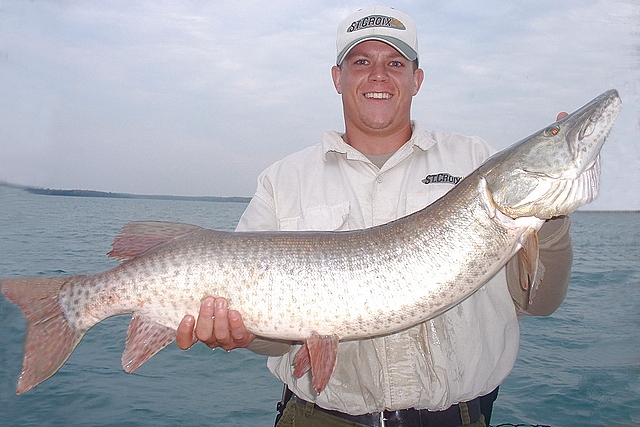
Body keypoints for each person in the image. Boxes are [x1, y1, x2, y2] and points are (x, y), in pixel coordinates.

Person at [176, 6, 573, 427]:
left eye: (395, 63)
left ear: (416, 79)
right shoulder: (283, 180)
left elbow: (540, 300)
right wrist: (244, 332)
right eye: (362, 61)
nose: (378, 75)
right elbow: (270, 341)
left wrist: (551, 218)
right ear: (337, 77)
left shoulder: (475, 163)